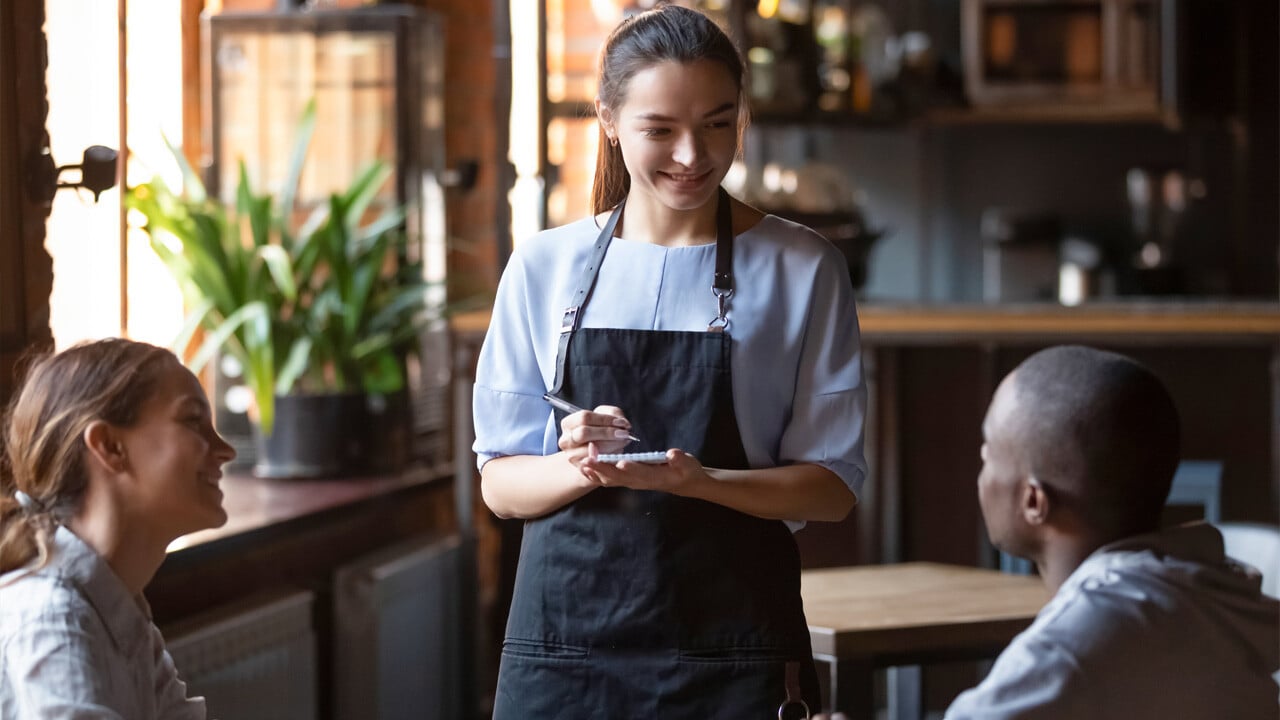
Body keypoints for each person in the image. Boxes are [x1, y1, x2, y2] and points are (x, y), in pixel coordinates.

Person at [472, 4, 866, 717]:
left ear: (742, 119)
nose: (693, 154)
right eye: (661, 130)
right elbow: (500, 484)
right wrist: (578, 464)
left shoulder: (803, 268)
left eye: (717, 124)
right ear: (611, 121)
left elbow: (831, 487)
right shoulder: (542, 267)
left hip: (734, 652)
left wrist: (702, 480)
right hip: (565, 657)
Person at [817, 345, 1280, 720]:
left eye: (988, 455)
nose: (980, 475)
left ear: (1034, 502)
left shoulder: (1080, 641)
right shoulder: (1208, 594)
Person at [0, 338, 237, 719]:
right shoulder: (53, 620)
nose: (226, 450)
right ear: (110, 446)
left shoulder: (120, 611)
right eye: (194, 420)